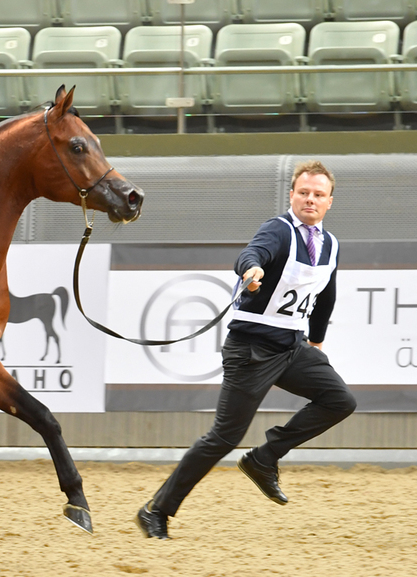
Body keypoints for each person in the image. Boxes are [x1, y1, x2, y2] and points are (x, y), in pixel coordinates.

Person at [136, 160, 356, 540]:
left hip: (292, 347)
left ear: (330, 202)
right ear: (292, 195)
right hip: (252, 349)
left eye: (318, 194)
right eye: (303, 192)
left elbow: (326, 295)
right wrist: (250, 270)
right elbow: (251, 254)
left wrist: (316, 340)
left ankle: (264, 457)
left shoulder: (331, 245)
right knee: (222, 438)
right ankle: (156, 511)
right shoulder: (278, 229)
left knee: (340, 400)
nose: (310, 199)